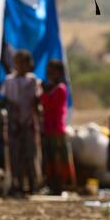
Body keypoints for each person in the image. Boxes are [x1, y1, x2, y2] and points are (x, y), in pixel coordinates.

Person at [1, 49, 41, 195]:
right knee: (14, 155)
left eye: (24, 62)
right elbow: (5, 100)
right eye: (18, 62)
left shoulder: (33, 81)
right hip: (13, 124)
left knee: (30, 154)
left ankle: (33, 184)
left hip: (29, 124)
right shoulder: (9, 81)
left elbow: (36, 102)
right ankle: (16, 184)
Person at [40, 59, 76, 195]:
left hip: (57, 130)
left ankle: (61, 186)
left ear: (59, 73)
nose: (49, 74)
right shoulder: (51, 88)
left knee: (58, 159)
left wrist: (44, 93)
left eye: (52, 71)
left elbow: (49, 105)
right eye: (48, 71)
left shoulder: (60, 89)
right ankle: (52, 185)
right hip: (48, 129)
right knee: (50, 158)